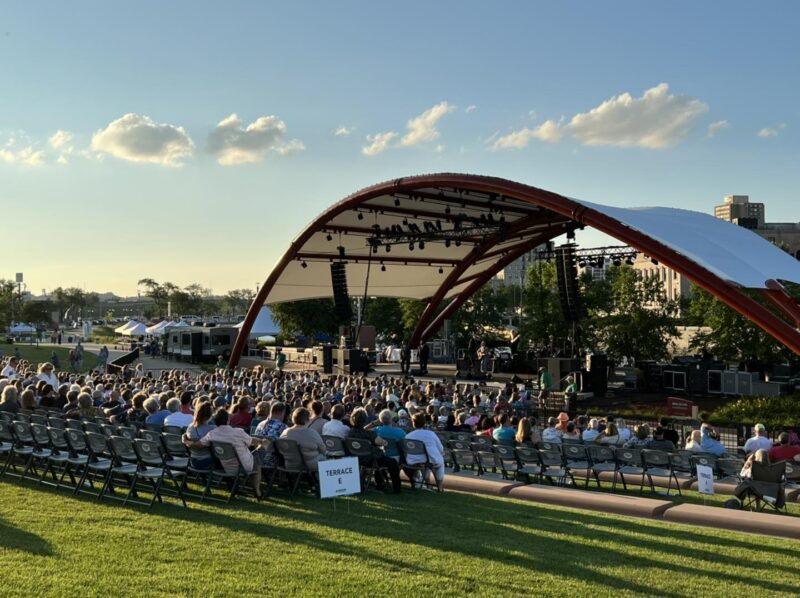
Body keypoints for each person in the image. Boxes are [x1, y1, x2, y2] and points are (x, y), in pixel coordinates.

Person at [184, 409, 267, 499]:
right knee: (262, 452)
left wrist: (185, 440)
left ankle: (253, 491)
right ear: (228, 420)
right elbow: (252, 442)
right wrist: (261, 441)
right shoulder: (238, 432)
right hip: (243, 467)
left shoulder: (212, 434)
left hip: (228, 467)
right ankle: (258, 493)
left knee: (254, 457)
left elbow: (197, 444)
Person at [348, 407, 401, 493]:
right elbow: (381, 442)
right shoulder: (370, 434)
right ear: (365, 420)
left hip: (356, 459)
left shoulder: (350, 432)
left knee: (381, 458)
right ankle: (396, 488)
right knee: (392, 462)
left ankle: (380, 484)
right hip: (369, 460)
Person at [405, 412, 446, 492]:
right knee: (439, 462)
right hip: (429, 461)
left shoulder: (408, 436)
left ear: (413, 423)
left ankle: (428, 484)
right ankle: (440, 487)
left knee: (425, 461)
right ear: (424, 423)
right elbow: (441, 448)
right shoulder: (431, 434)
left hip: (414, 461)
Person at [253, 401, 288, 467]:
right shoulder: (283, 427)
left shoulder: (260, 424)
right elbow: (285, 448)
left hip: (257, 459)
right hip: (272, 461)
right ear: (282, 412)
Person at [184, 402, 216, 469]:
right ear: (210, 415)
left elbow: (185, 438)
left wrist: (185, 441)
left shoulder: (190, 427)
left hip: (193, 460)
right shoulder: (213, 429)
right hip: (207, 461)